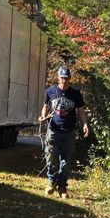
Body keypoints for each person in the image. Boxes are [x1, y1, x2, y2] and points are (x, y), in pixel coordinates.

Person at [40, 66, 89, 198]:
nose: (64, 80)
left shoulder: (75, 94)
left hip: (69, 132)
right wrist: (43, 116)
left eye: (66, 78)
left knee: (66, 162)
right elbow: (45, 106)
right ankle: (52, 182)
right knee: (51, 156)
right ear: (58, 78)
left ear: (70, 78)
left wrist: (85, 124)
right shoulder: (51, 91)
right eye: (62, 78)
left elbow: (81, 110)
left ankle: (62, 187)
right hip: (53, 130)